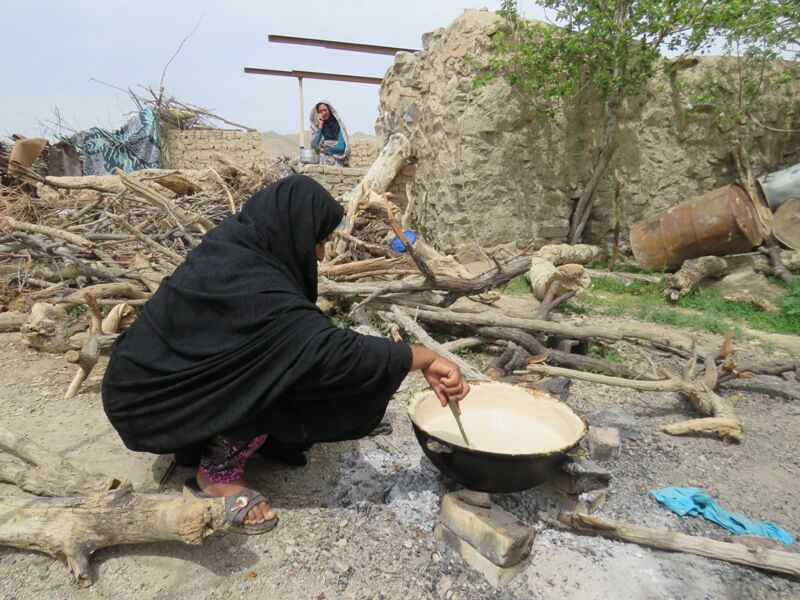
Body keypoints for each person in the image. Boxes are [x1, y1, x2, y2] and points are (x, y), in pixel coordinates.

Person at [101, 175, 469, 535]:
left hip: (155, 385)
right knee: (281, 370)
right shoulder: (251, 282)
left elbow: (301, 335)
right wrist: (422, 356)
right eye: (318, 240)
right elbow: (326, 352)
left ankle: (223, 439)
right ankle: (216, 475)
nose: (321, 254)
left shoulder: (238, 245)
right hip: (147, 404)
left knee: (286, 359)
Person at [310, 100, 350, 167]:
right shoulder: (317, 127)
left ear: (329, 110)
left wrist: (323, 150)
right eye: (320, 111)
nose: (323, 113)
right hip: (322, 161)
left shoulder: (339, 126)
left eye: (325, 110)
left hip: (338, 159)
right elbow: (314, 146)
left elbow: (340, 148)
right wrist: (320, 126)